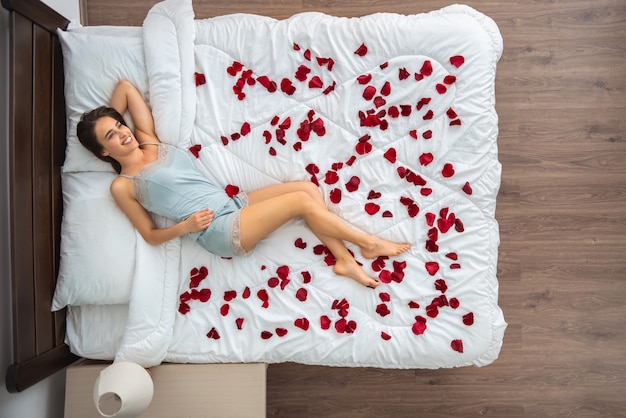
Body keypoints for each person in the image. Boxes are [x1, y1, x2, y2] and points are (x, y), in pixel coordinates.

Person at [77, 80, 410, 288]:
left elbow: (125, 87)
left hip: (232, 205)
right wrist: (186, 226)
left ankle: (345, 261)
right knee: (302, 203)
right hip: (215, 231)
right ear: (103, 151)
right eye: (112, 137)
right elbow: (150, 236)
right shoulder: (122, 185)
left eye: (120, 125)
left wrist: (103, 121)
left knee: (307, 189)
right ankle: (368, 243)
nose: (123, 132)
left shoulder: (147, 140)